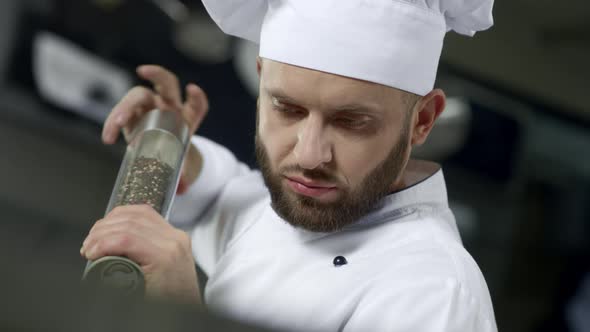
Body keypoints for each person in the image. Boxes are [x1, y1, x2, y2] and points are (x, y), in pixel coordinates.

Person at [81, 0, 497, 330]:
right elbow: (227, 199)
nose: (309, 155)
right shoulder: (305, 201)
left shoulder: (435, 295)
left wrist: (182, 313)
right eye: (288, 109)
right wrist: (168, 143)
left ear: (422, 120)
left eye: (351, 122)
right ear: (262, 84)